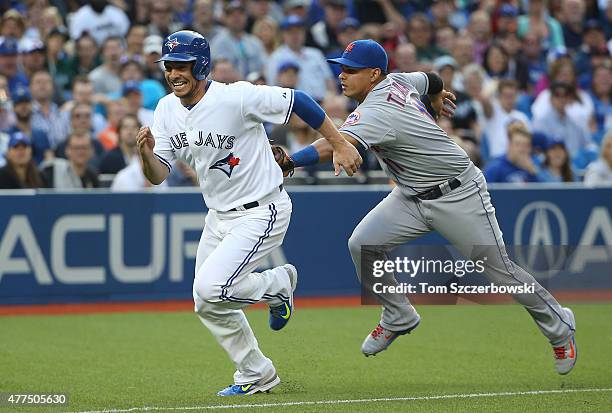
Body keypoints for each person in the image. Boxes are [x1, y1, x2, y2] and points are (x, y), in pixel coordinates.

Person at [276, 40, 577, 375]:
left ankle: (560, 326)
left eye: (351, 70)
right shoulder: (399, 81)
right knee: (362, 244)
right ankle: (398, 314)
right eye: (342, 68)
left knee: (500, 271)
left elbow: (335, 143)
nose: (342, 76)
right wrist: (436, 95)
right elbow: (431, 79)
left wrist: (291, 160)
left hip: (458, 194)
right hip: (411, 195)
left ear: (374, 74)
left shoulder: (377, 109)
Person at [136, 30, 361, 396]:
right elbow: (158, 175)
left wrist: (338, 142)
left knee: (212, 288)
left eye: (182, 65)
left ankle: (278, 284)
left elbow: (300, 101)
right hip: (218, 216)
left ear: (202, 65)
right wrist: (146, 155)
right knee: (205, 302)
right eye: (169, 66)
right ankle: (257, 372)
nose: (174, 73)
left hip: (262, 209)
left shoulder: (236, 97)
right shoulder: (165, 110)